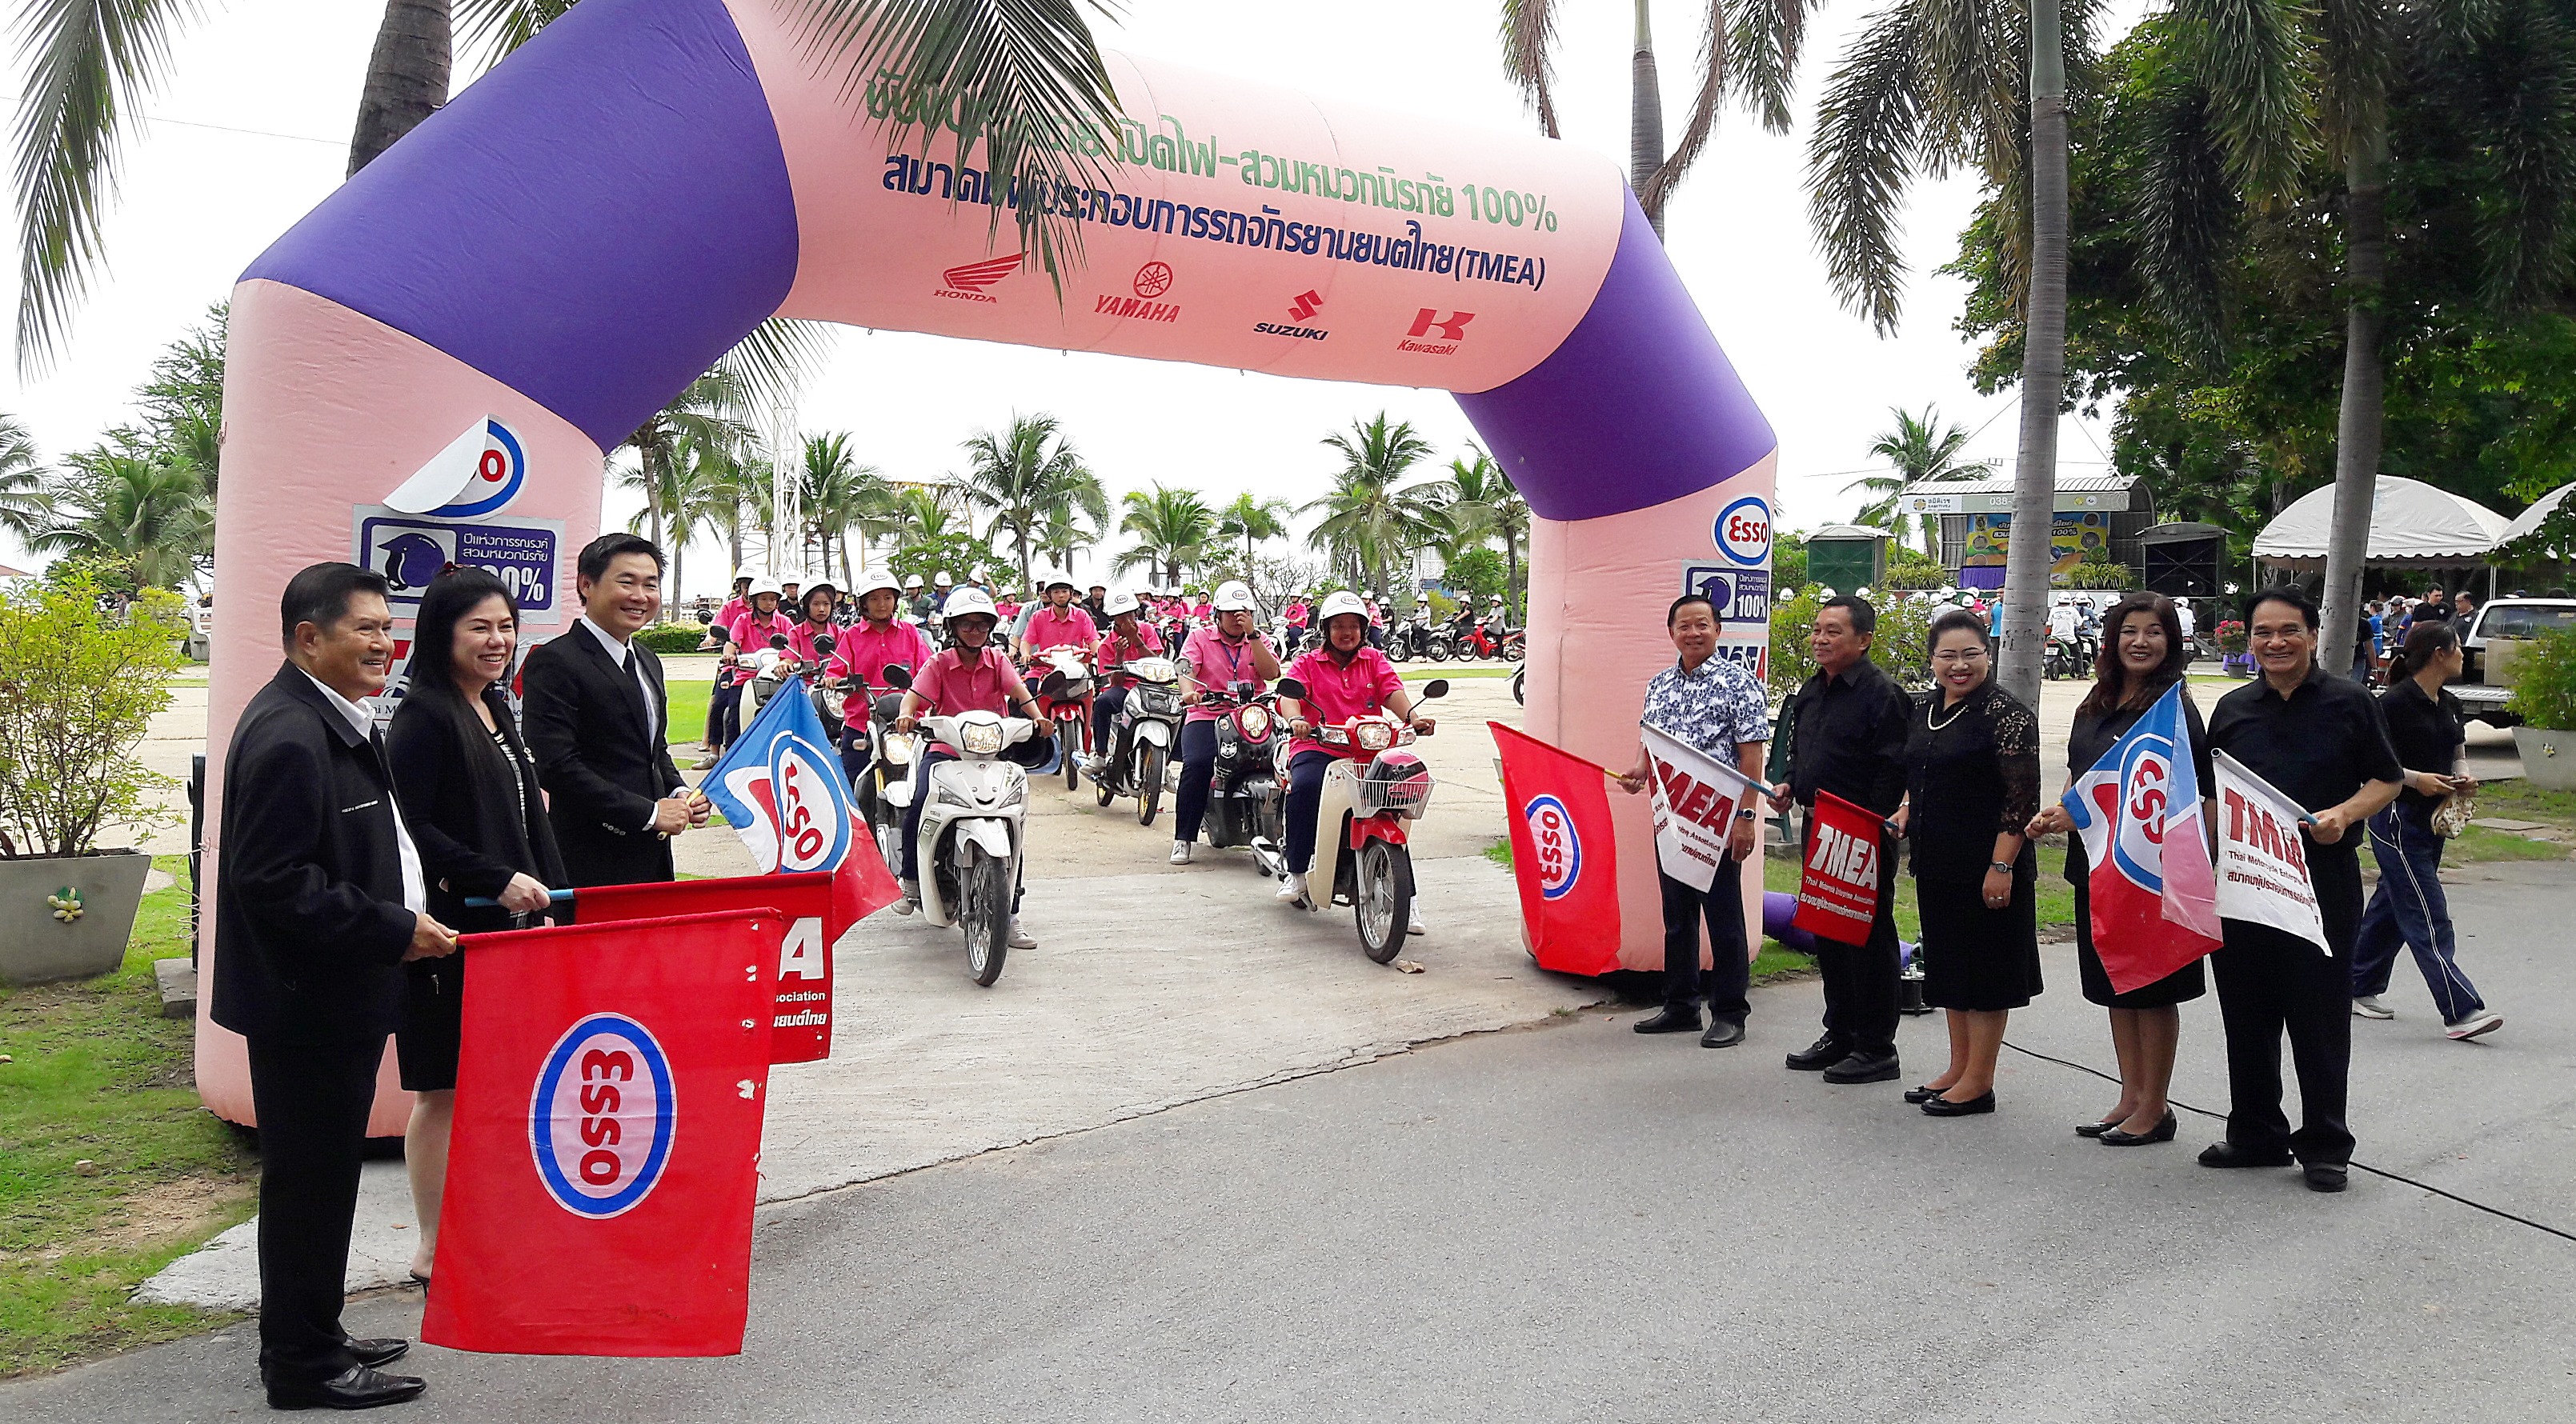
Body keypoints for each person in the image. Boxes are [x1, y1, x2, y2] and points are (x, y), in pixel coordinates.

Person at [212, 562, 455, 1410]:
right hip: (305, 1006)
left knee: (320, 1182)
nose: (385, 644)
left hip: (333, 996)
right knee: (308, 1187)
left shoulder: (331, 715)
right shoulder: (290, 733)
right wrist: (394, 928)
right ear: (309, 637)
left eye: (389, 628)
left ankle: (314, 1330)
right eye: (366, 629)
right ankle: (303, 1364)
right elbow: (272, 883)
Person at [383, 568, 565, 1286]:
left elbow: (525, 816)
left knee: (503, 1081)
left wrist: (548, 900)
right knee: (443, 1089)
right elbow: (412, 828)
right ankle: (433, 1248)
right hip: (450, 932)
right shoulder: (423, 715)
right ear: (441, 634)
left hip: (512, 927)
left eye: (506, 626)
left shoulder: (493, 704)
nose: (497, 641)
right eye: (479, 628)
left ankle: (491, 1226)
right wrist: (490, 878)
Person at [2201, 586, 2404, 1192]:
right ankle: (2256, 1134)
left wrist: (2344, 813)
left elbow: (2387, 779)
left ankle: (2325, 1145)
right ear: (2248, 641)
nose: (2276, 643)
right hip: (2244, 882)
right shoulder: (2232, 709)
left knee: (2318, 1019)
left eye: (2288, 630)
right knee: (2247, 1014)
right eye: (2263, 633)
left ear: (2312, 636)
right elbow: (2213, 794)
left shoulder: (2350, 701)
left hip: (2322, 882)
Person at [2026, 592, 2209, 1145]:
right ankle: (2130, 1097)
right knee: (2116, 984)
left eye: (2153, 631)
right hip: (2097, 866)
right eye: (2129, 630)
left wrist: (2199, 875)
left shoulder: (2174, 709)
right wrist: (2060, 812)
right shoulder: (2095, 702)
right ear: (2111, 639)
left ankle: (2155, 1107)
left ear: (2171, 641)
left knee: (2152, 988)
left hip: (2151, 873)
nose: (2140, 641)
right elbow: (2083, 777)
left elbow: (2197, 795)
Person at [1894, 609, 2041, 1116]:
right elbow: (1919, 772)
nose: (1959, 666)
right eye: (1948, 656)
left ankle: (1980, 1081)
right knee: (1950, 967)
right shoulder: (1925, 708)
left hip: (1988, 864)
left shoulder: (2007, 714)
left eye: (1970, 655)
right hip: (1937, 861)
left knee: (1985, 973)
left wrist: (2001, 868)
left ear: (1988, 656)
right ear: (1932, 660)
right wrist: (1907, 808)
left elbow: (2020, 801)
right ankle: (1958, 1068)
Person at [1766, 595, 1911, 1085]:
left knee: (1866, 936)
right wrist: (1791, 783)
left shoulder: (1882, 694)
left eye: (1833, 631)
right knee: (1828, 931)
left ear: (1863, 640)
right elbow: (1800, 751)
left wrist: (1869, 823)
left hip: (1862, 830)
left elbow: (1894, 767)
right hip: (1819, 826)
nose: (1820, 639)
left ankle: (1877, 1046)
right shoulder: (1813, 690)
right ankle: (1841, 1032)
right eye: (1817, 630)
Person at [1615, 593, 1769, 1048]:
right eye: (1685, 626)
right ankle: (1681, 1005)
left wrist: (1746, 817)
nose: (1694, 633)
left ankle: (1730, 1013)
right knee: (1678, 918)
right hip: (1671, 818)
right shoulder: (1659, 684)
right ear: (1671, 633)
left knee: (1724, 918)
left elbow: (1751, 758)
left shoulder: (1738, 682)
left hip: (1717, 818)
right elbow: (1650, 739)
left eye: (1703, 624)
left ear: (1718, 630)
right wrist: (1640, 770)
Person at [522, 534, 709, 887]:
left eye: (650, 585)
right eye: (627, 582)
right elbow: (555, 766)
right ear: (586, 585)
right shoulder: (555, 662)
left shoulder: (648, 661)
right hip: (588, 859)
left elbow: (653, 750)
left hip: (652, 858)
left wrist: (678, 792)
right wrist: (649, 813)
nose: (640, 596)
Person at [2350, 622, 2504, 1039]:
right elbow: (2372, 763)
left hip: (2433, 819)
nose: (2464, 655)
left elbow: (2457, 747)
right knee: (2426, 910)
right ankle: (2460, 1010)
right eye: (2458, 647)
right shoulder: (2393, 704)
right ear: (2439, 653)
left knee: (2393, 902)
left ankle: (2356, 984)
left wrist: (2463, 775)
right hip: (2396, 817)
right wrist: (2418, 780)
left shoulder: (2449, 702)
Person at [891, 585, 1048, 946]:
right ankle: (910, 879)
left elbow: (1021, 694)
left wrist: (1039, 718)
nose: (975, 631)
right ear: (952, 627)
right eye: (967, 624)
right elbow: (913, 699)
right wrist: (906, 715)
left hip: (992, 754)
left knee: (1011, 822)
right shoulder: (939, 663)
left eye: (982, 625)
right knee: (920, 801)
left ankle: (1011, 914)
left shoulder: (998, 661)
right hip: (947, 751)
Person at [1276, 590, 1435, 908]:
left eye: (1353, 626)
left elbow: (1392, 692)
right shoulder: (1308, 661)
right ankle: (1296, 870)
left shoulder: (1374, 659)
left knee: (1395, 800)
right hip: (1318, 746)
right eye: (1338, 626)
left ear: (1363, 629)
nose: (1346, 632)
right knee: (1305, 788)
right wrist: (1296, 720)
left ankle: (1407, 898)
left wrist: (1413, 718)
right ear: (1326, 629)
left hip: (1368, 751)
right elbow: (1289, 696)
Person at [1172, 581, 1283, 866]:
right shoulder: (1199, 637)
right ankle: (1183, 837)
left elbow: (1271, 673)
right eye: (1231, 612)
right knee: (1197, 764)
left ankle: (1287, 835)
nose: (1238, 617)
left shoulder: (1260, 639)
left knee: (1283, 762)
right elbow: (1185, 668)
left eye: (1244, 612)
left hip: (1253, 715)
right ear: (1217, 614)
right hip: (1209, 714)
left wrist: (1253, 636)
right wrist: (1189, 692)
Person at [823, 573, 935, 791]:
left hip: (906, 724)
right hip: (862, 724)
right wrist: (833, 679)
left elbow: (928, 671)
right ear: (863, 604)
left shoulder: (910, 633)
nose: (882, 604)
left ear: (895, 601)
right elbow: (835, 669)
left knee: (923, 784)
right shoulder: (852, 636)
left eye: (887, 598)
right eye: (874, 599)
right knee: (850, 784)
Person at [1084, 590, 1165, 778]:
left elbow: (1157, 662)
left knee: (1178, 711)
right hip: (1125, 690)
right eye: (1121, 616)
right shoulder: (1107, 644)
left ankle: (1164, 763)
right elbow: (1115, 682)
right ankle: (1100, 754)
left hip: (1150, 688)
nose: (1128, 619)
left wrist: (1136, 640)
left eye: (1130, 614)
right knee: (1103, 702)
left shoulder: (1147, 631)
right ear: (1113, 618)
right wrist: (1119, 655)